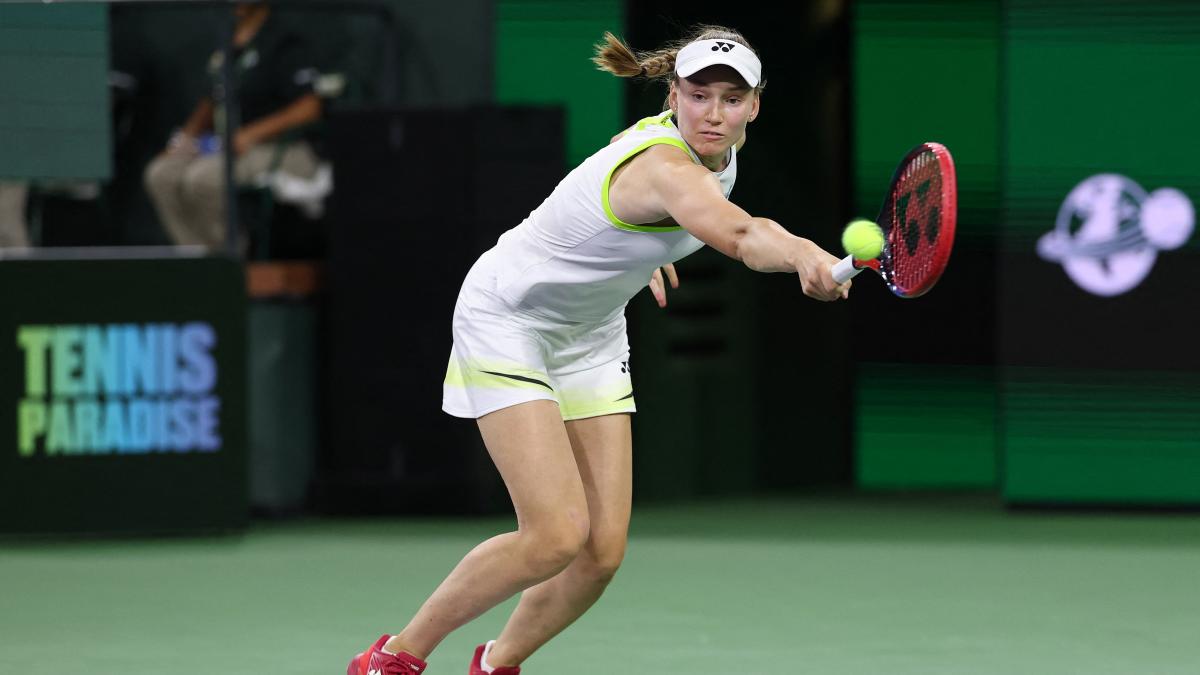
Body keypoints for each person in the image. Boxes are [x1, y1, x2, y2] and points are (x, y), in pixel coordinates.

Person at [346, 25, 850, 675]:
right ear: (675, 96)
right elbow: (743, 232)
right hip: (510, 317)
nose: (714, 113)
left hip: (590, 330)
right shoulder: (667, 164)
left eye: (732, 98)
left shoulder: (712, 154)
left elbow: (632, 201)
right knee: (553, 535)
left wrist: (640, 253)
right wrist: (803, 254)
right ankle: (392, 658)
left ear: (755, 105)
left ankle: (496, 663)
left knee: (601, 552)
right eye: (700, 96)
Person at [143, 1, 321, 249]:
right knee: (160, 173)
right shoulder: (228, 43)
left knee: (203, 178)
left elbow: (309, 107)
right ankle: (197, 256)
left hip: (286, 149)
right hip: (226, 148)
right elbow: (212, 99)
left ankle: (230, 257)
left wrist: (251, 134)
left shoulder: (284, 42)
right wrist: (184, 140)